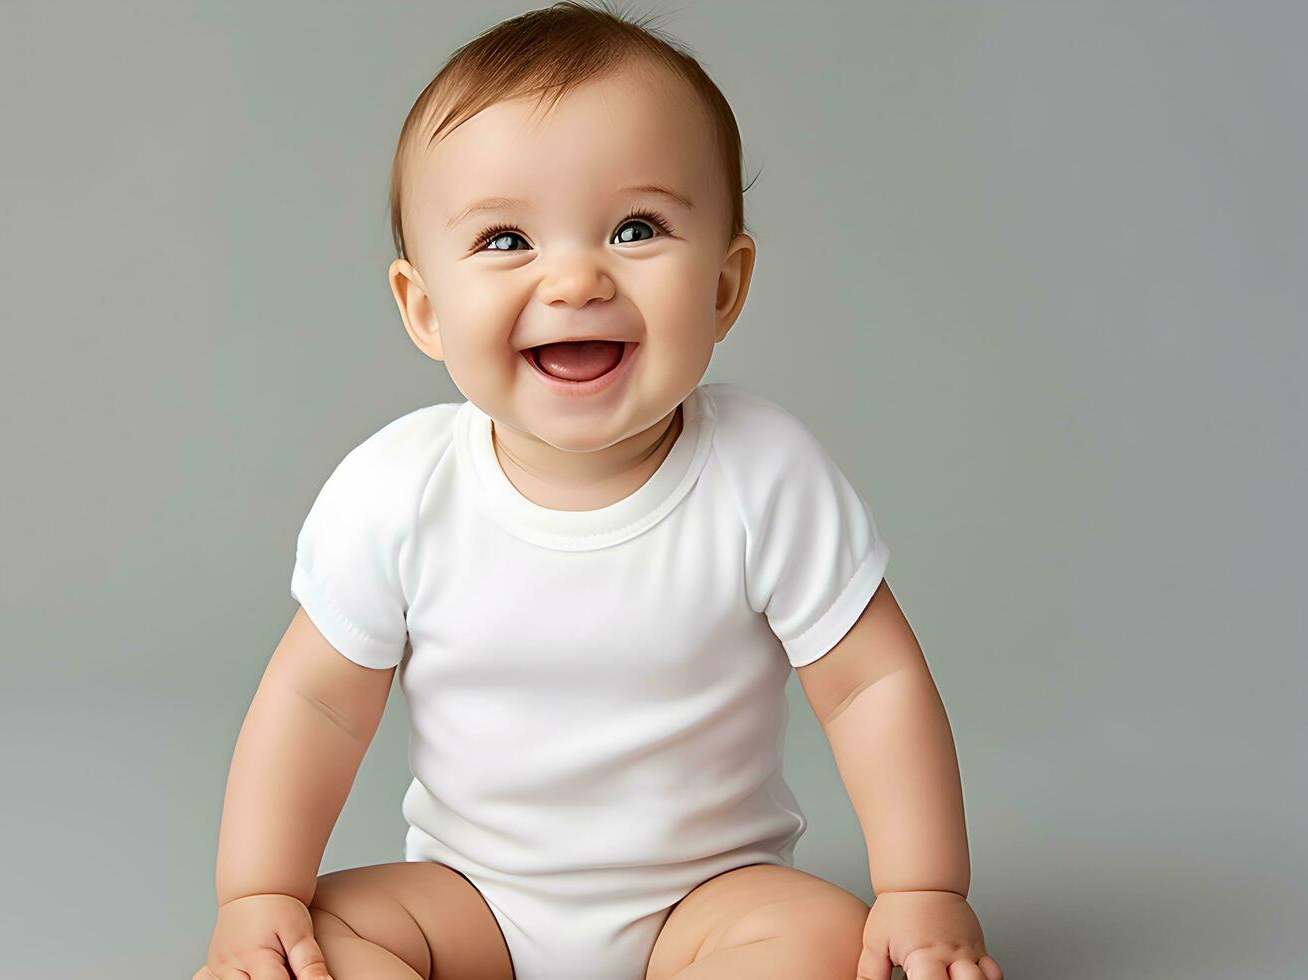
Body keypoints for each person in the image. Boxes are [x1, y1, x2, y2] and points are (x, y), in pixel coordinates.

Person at [197, 3, 1004, 978]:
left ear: (723, 287)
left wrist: (924, 888)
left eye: (636, 227)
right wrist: (257, 895)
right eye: (505, 239)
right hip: (469, 903)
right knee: (321, 941)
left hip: (707, 902)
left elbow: (872, 684)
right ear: (424, 309)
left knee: (825, 938)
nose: (576, 278)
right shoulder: (398, 492)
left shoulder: (764, 473)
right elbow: (316, 704)